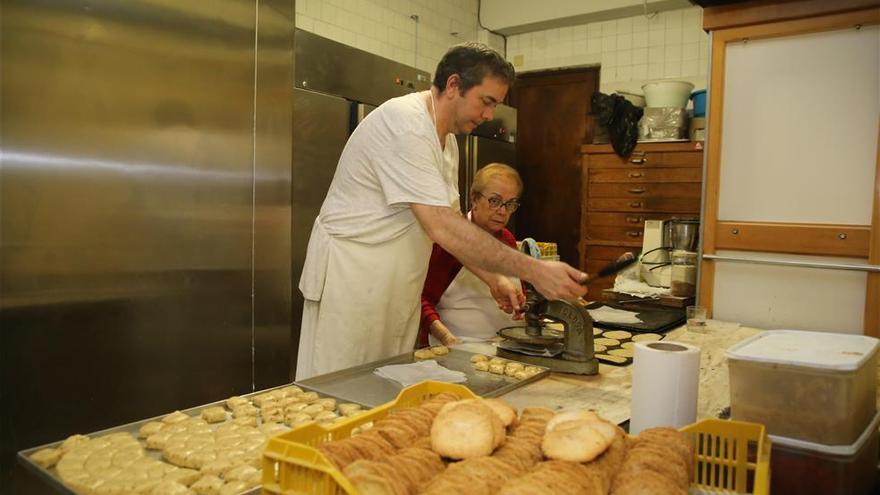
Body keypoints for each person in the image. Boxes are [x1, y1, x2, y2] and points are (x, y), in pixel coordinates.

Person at [295, 42, 588, 380]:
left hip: (396, 284)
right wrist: (535, 270)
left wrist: (494, 278)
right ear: (453, 85)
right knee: (341, 384)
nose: (490, 115)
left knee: (382, 385)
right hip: (353, 282)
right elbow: (442, 226)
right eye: (487, 101)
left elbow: (454, 232)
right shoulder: (405, 124)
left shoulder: (446, 141)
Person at [419, 163, 526, 347]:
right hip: (458, 348)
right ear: (474, 199)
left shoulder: (507, 240)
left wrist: (519, 304)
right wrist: (446, 338)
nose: (502, 211)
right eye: (494, 201)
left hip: (504, 346)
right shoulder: (449, 242)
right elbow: (420, 301)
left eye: (510, 204)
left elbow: (519, 293)